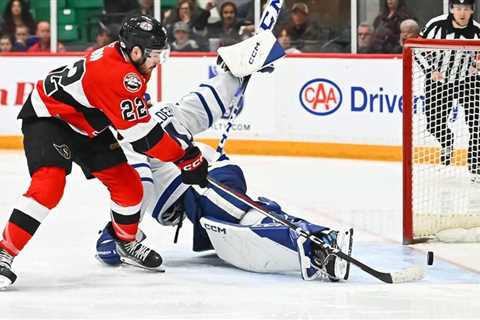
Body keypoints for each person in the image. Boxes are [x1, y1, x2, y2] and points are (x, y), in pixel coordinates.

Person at [94, 59, 354, 282]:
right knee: (245, 214)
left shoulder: (125, 136)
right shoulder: (164, 109)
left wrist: (121, 229)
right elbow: (206, 101)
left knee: (246, 217)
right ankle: (314, 238)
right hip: (210, 174)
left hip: (201, 183)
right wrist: (233, 74)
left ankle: (317, 243)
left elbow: (139, 187)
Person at [0, 15, 209, 289]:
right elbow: (143, 137)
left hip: (85, 124)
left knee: (129, 186)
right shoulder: (121, 75)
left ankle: (125, 242)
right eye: (155, 54)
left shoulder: (126, 60)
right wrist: (185, 157)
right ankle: (4, 252)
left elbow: (132, 124)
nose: (158, 60)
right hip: (49, 118)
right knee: (48, 185)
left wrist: (182, 155)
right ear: (136, 51)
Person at [417, 0, 480, 180]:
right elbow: (417, 49)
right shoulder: (435, 25)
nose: (462, 13)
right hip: (438, 81)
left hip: (468, 82)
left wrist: (478, 66)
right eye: (458, 8)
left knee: (477, 125)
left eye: (466, 9)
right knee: (433, 124)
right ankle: (446, 140)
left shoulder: (477, 31)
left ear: (472, 11)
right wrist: (431, 71)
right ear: (451, 9)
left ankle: (476, 167)